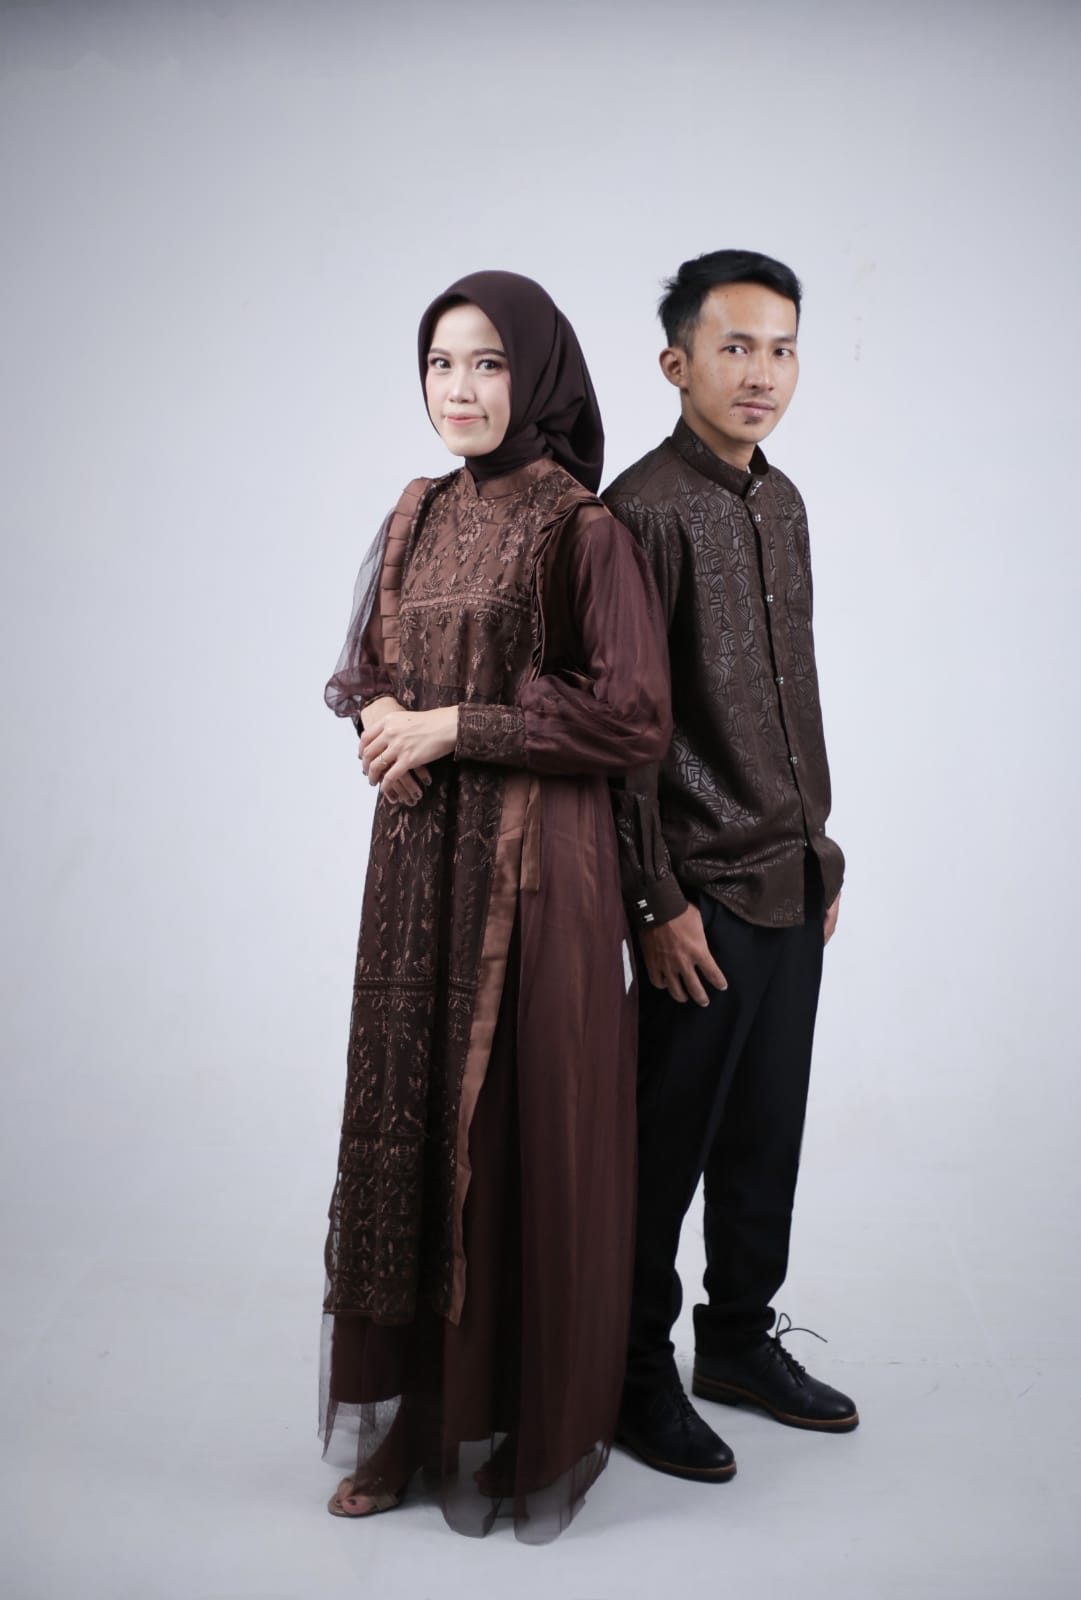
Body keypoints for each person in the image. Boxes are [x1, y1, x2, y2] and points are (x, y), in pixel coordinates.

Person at [318, 270, 671, 1541]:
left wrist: (451, 726)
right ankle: (416, 1417)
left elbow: (633, 716)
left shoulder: (584, 528)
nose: (458, 389)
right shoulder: (415, 512)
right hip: (418, 870)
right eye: (439, 363)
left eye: (487, 363)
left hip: (535, 871)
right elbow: (369, 663)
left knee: (513, 1129)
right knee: (409, 1122)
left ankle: (520, 1417)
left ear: (537, 374)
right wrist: (381, 715)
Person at [605, 249, 858, 1484]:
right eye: (735, 347)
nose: (762, 372)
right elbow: (623, 732)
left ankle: (740, 1341)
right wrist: (654, 900)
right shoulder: (638, 512)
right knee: (660, 1154)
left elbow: (788, 690)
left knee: (766, 1134)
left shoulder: (785, 501)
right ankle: (631, 1373)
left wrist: (822, 851)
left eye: (782, 348)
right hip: (697, 896)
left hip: (791, 880)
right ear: (678, 363)